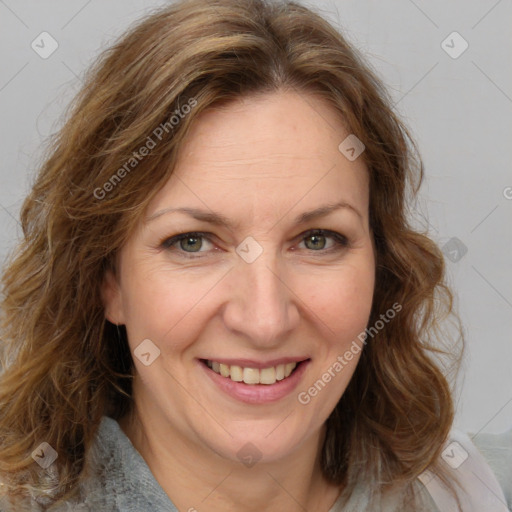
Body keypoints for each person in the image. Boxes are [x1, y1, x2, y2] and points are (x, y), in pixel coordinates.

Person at [0, 0, 510, 511]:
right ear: (107, 279)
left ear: (382, 265)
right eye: (193, 242)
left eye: (317, 240)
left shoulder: (484, 492)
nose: (265, 321)